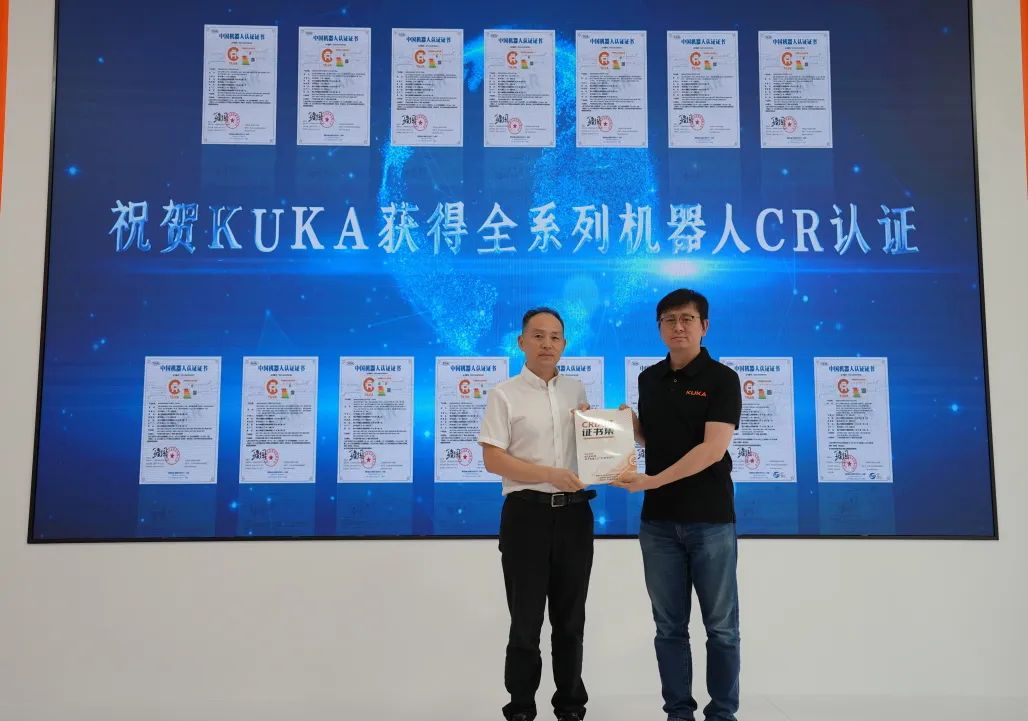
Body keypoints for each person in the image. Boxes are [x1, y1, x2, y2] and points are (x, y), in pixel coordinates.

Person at [613, 288, 743, 721]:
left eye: (687, 319)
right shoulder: (649, 378)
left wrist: (652, 481)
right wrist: (622, 426)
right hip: (659, 524)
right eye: (669, 320)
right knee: (669, 628)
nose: (678, 327)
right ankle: (678, 713)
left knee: (721, 628)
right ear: (660, 328)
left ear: (704, 326)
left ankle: (722, 713)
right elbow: (655, 438)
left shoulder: (722, 379)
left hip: (710, 520)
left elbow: (711, 450)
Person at [478, 307, 595, 721]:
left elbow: (591, 449)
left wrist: (609, 432)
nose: (547, 344)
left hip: (575, 517)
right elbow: (493, 459)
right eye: (539, 335)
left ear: (564, 344)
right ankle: (521, 707)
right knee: (526, 622)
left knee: (570, 622)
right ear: (521, 342)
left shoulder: (576, 390)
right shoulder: (504, 394)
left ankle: (570, 707)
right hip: (526, 516)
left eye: (555, 337)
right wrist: (548, 475)